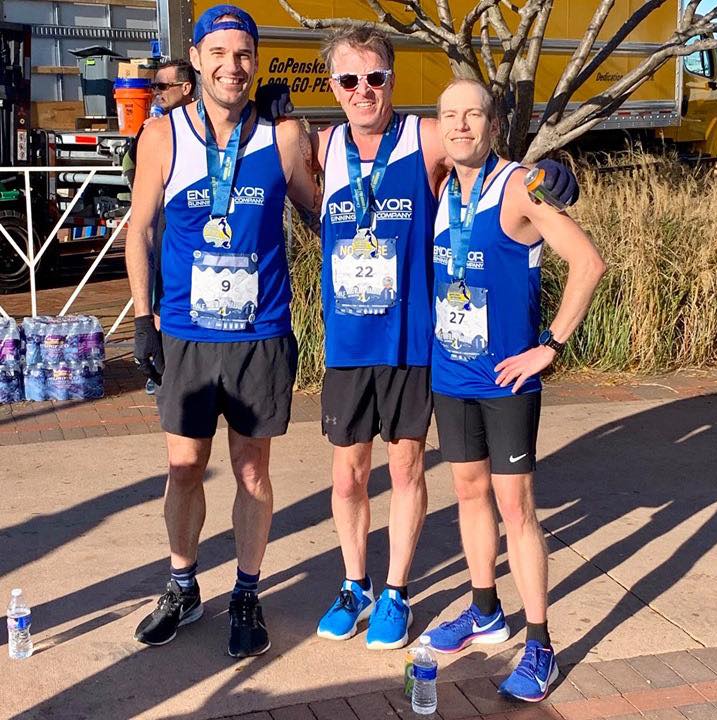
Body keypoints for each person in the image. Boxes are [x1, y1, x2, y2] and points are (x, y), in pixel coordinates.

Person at [312, 26, 579, 651]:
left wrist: (548, 172)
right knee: (349, 475)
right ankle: (356, 585)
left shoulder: (424, 135)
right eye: (349, 80)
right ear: (334, 87)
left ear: (392, 81)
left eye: (374, 77)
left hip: (413, 344)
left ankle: (398, 594)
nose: (363, 90)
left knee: (407, 466)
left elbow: (478, 147)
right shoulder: (320, 145)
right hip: (349, 342)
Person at [125, 4, 319, 658]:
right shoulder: (162, 135)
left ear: (255, 63)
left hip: (259, 333)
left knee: (252, 471)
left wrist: (315, 142)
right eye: (220, 53)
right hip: (185, 332)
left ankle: (246, 590)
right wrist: (143, 317)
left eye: (244, 55)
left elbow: (323, 212)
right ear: (198, 57)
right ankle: (183, 585)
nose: (233, 67)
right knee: (184, 466)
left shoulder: (281, 135)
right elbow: (140, 230)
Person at [423, 79, 605, 701]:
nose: (461, 125)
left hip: (506, 380)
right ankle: (483, 611)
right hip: (450, 374)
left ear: (493, 124)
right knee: (468, 494)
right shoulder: (441, 187)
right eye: (450, 115)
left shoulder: (519, 187)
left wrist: (549, 348)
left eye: (473, 114)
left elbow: (588, 262)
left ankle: (540, 644)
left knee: (515, 508)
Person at [123, 59, 196, 395]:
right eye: (154, 87)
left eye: (162, 87)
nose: (156, 93)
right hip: (161, 224)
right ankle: (160, 375)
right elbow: (131, 172)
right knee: (160, 296)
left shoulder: (209, 131)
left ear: (187, 88)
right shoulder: (155, 130)